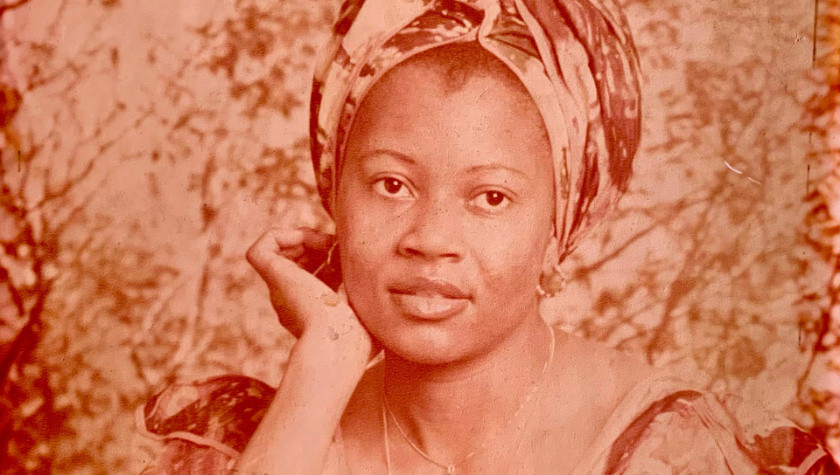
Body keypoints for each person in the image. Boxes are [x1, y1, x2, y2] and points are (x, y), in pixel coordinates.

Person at [138, 0, 839, 473]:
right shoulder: (275, 432)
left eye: (491, 197)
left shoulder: (667, 447)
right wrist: (323, 360)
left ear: (556, 233)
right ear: (336, 193)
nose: (430, 238)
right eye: (391, 184)